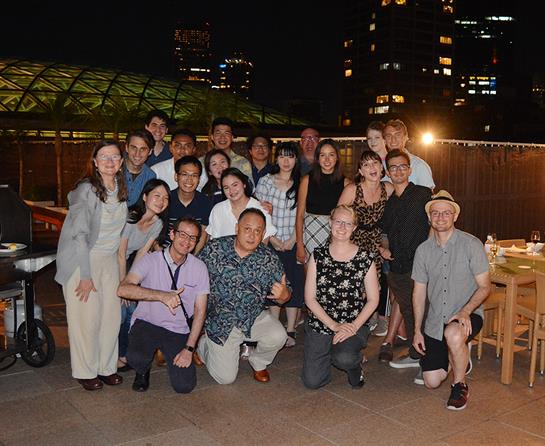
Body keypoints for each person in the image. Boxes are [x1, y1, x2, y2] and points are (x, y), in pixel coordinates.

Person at [55, 140, 128, 391]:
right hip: (82, 261)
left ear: (121, 162)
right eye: (104, 157)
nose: (110, 161)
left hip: (108, 261)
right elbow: (79, 236)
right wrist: (85, 277)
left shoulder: (120, 188)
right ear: (95, 162)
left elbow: (122, 233)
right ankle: (85, 370)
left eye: (115, 157)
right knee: (87, 320)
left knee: (110, 318)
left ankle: (106, 367)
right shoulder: (85, 190)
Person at [412, 190, 491, 410]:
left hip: (467, 314)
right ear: (429, 218)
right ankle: (459, 356)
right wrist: (418, 329)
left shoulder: (471, 244)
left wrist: (466, 311)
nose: (440, 217)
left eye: (446, 213)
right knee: (432, 382)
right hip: (436, 320)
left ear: (455, 216)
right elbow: (418, 293)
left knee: (453, 333)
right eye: (435, 213)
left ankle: (459, 385)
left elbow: (485, 287)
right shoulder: (423, 251)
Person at [195, 208, 291, 384]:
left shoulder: (268, 258)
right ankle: (203, 346)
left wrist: (284, 296)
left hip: (252, 316)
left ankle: (259, 362)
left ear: (263, 234)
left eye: (258, 231)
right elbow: (192, 275)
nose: (252, 235)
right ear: (237, 228)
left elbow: (285, 292)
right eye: (247, 229)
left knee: (279, 335)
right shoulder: (215, 249)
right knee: (225, 379)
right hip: (221, 322)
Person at [117, 217, 209, 393]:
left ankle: (166, 353)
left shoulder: (199, 268)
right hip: (147, 323)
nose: (187, 241)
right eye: (182, 234)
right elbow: (123, 289)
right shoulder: (150, 260)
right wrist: (161, 296)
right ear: (172, 234)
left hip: (177, 329)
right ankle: (142, 370)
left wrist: (189, 349)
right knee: (135, 357)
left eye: (192, 238)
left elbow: (200, 310)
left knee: (184, 386)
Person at [302, 205, 379, 389]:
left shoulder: (365, 257)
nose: (342, 227)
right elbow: (310, 298)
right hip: (322, 323)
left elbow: (373, 299)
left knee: (344, 358)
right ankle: (326, 349)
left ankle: (354, 363)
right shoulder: (317, 256)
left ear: (354, 228)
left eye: (348, 223)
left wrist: (352, 326)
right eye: (338, 221)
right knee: (312, 382)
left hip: (354, 324)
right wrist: (334, 325)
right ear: (330, 223)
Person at [378, 149, 431, 383]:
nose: (398, 171)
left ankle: (429, 362)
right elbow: (383, 232)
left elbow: (436, 221)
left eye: (402, 167)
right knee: (409, 313)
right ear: (387, 173)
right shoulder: (388, 203)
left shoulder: (422, 194)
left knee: (424, 313)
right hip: (396, 265)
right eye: (393, 168)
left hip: (419, 265)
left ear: (409, 170)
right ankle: (415, 352)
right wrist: (383, 247)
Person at [337, 149, 393, 337]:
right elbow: (338, 220)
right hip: (353, 242)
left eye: (375, 163)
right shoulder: (352, 190)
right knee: (353, 290)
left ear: (382, 167)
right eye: (366, 164)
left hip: (376, 243)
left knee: (372, 289)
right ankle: (350, 331)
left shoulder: (388, 188)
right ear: (360, 171)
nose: (372, 167)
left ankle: (364, 326)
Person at [116, 179, 170, 372]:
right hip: (110, 260)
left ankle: (125, 352)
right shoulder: (132, 215)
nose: (161, 201)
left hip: (127, 262)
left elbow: (141, 254)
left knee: (132, 311)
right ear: (145, 196)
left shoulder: (157, 223)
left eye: (165, 198)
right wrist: (124, 287)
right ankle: (117, 353)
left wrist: (134, 284)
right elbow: (120, 253)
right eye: (156, 195)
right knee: (121, 312)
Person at [255, 141, 304, 348]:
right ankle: (275, 327)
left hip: (294, 241)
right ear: (276, 159)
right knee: (274, 284)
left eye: (290, 156)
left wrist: (293, 239)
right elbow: (259, 213)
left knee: (294, 282)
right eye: (282, 156)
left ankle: (291, 329)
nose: (286, 161)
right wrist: (273, 239)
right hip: (271, 242)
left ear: (296, 159)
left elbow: (303, 214)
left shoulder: (302, 182)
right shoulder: (266, 181)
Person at [296, 138, 350, 265]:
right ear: (317, 158)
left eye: (331, 155)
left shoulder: (346, 183)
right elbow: (299, 215)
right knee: (310, 280)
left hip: (335, 233)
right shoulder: (306, 180)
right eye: (322, 155)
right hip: (309, 233)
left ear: (337, 158)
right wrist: (299, 244)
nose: (327, 159)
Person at [206, 167, 276, 242]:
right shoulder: (218, 209)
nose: (231, 191)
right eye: (226, 188)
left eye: (235, 185)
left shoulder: (261, 208)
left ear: (244, 184)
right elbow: (214, 241)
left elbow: (264, 243)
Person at [168, 156, 213, 254]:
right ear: (176, 176)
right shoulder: (166, 199)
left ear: (199, 179)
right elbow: (156, 234)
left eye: (194, 175)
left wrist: (192, 260)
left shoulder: (205, 202)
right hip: (165, 253)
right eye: (184, 174)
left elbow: (202, 236)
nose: (189, 180)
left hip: (193, 255)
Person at [197, 117, 253, 190]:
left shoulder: (242, 162)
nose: (222, 137)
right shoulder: (201, 162)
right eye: (218, 133)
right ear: (212, 137)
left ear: (232, 137)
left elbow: (249, 188)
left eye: (226, 133)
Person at [383, 119, 435, 190]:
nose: (393, 139)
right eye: (388, 136)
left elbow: (428, 197)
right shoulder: (380, 166)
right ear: (384, 140)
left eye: (397, 135)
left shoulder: (419, 166)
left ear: (405, 137)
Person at [123, 129, 156, 206]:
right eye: (134, 148)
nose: (137, 154)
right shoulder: (113, 168)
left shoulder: (150, 176)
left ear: (150, 151)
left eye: (143, 149)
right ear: (127, 148)